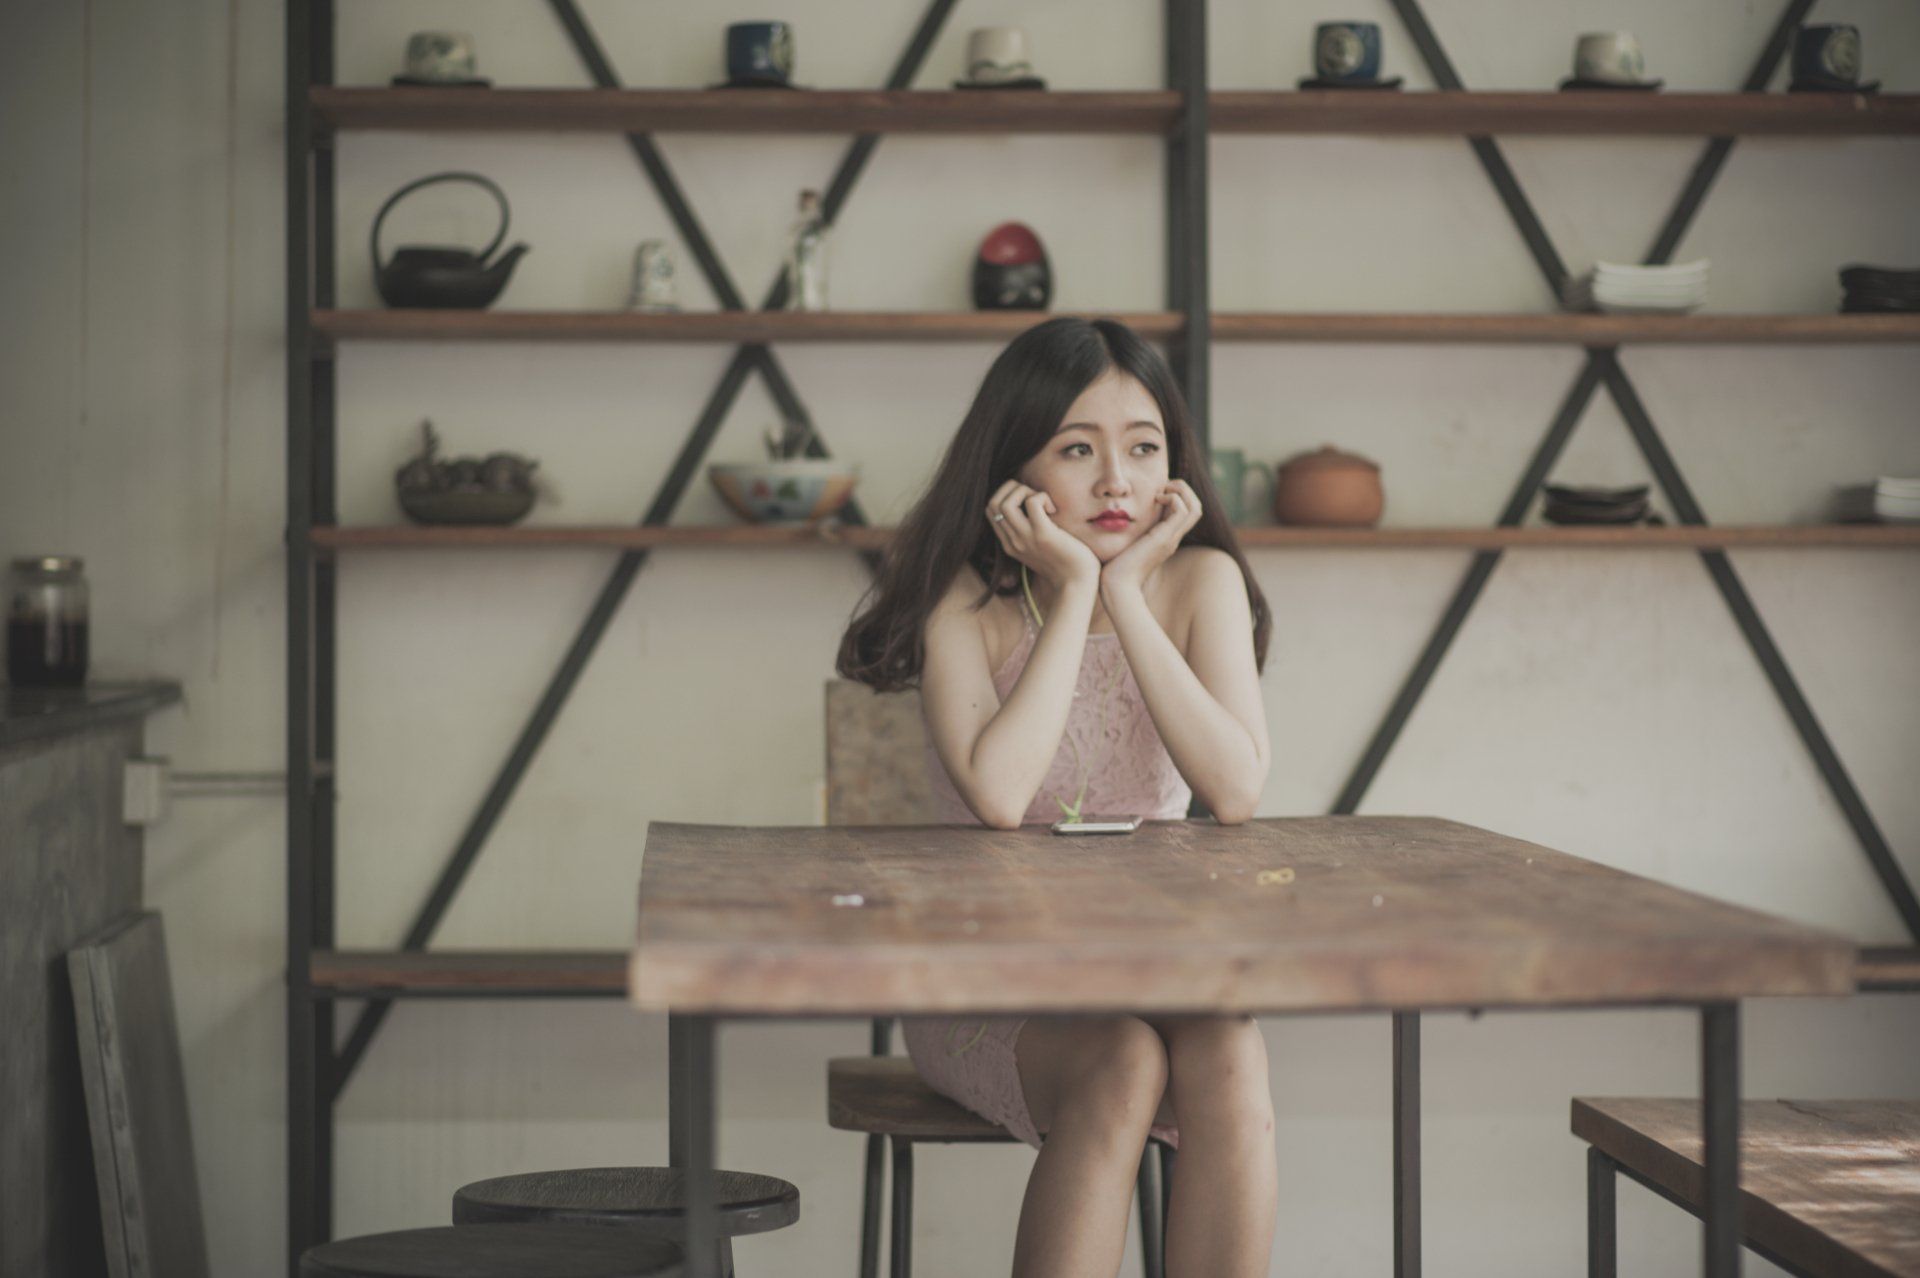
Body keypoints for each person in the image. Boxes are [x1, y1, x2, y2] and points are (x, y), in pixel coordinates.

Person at [837, 316, 1276, 1277]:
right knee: (1122, 1061)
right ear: (1015, 471)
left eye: (1144, 449)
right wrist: (1077, 590)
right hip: (987, 983)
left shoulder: (1203, 583)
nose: (1118, 481)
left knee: (1231, 1043)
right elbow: (1000, 795)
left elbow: (1237, 787)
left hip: (1148, 963)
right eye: (1078, 449)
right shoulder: (965, 599)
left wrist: (1129, 594)